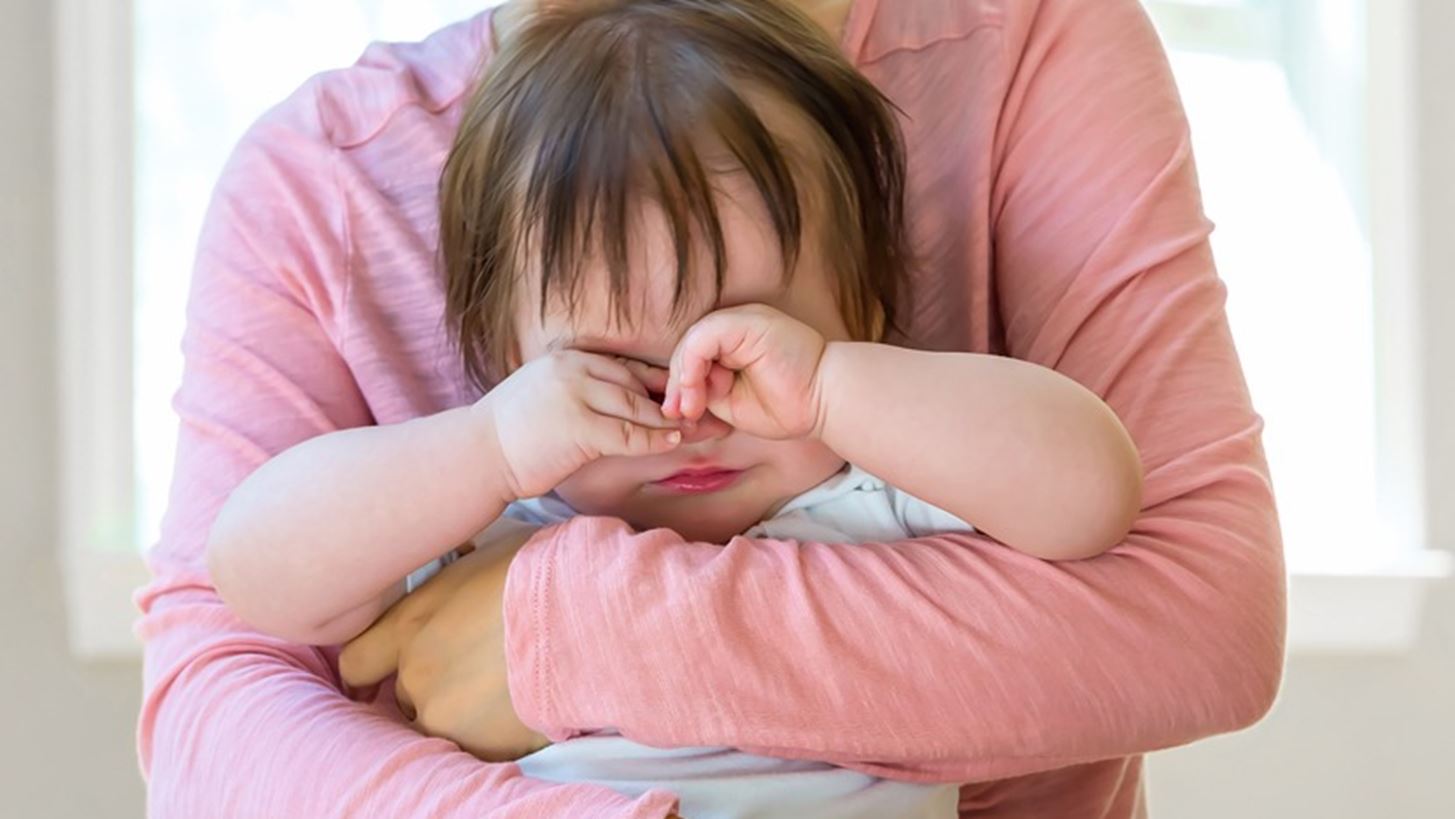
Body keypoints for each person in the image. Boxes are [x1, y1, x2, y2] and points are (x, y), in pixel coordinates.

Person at [135, 0, 1286, 816]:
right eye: (609, 365)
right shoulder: (504, 494)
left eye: (743, 345)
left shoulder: (887, 486)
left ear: (870, 309)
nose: (686, 408)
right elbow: (249, 597)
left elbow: (1114, 511)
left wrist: (839, 389)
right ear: (502, 355)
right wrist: (482, 442)